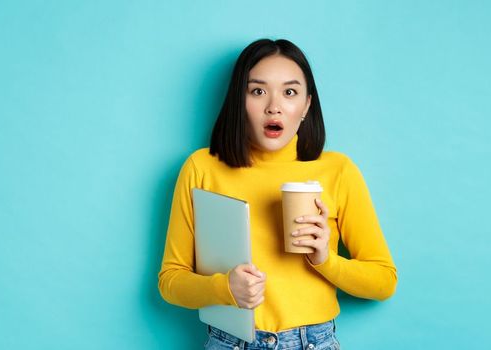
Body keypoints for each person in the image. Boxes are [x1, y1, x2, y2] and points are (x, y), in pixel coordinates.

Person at [158, 38, 397, 350]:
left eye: (290, 92)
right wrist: (224, 288)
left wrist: (325, 259)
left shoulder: (338, 171)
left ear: (306, 105)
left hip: (313, 342)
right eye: (257, 91)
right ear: (238, 101)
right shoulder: (202, 168)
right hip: (231, 342)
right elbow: (170, 281)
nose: (274, 105)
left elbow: (384, 281)